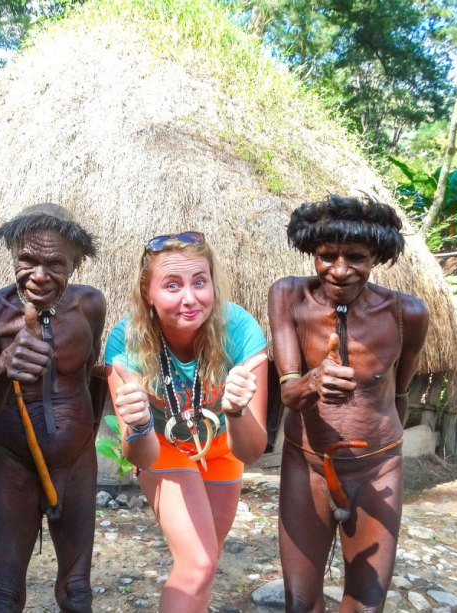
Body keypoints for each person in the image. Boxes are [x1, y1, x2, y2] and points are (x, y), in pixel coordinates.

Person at [268, 195, 429, 612]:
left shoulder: (406, 314)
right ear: (312, 253)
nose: (339, 270)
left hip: (378, 467)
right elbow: (287, 394)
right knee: (300, 603)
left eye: (355, 257)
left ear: (376, 255)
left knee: (365, 604)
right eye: (326, 256)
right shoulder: (289, 297)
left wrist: (382, 449)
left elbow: (398, 394)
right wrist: (312, 381)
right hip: (308, 464)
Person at [105, 231, 268, 612]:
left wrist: (238, 411)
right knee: (196, 564)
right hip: (161, 447)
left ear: (213, 282)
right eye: (172, 285)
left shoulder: (240, 331)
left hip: (224, 446)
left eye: (199, 282)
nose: (190, 298)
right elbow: (140, 456)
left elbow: (252, 450)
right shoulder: (125, 342)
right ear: (148, 292)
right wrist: (140, 423)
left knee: (207, 559)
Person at [0, 203, 107, 612]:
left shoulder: (90, 306)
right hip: (14, 467)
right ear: (12, 254)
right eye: (27, 260)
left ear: (76, 266)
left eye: (55, 264)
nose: (39, 275)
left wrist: (80, 440)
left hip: (77, 466)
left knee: (78, 592)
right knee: (5, 597)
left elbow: (89, 379)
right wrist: (2, 367)